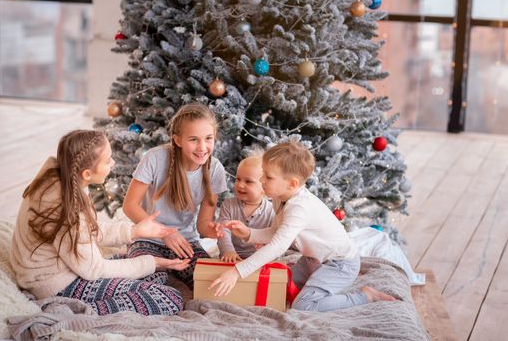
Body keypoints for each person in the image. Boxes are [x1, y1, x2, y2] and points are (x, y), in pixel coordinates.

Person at [10, 130, 189, 316]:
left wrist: (135, 231)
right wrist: (153, 261)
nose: (113, 163)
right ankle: (79, 311)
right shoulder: (66, 207)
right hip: (57, 284)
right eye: (108, 160)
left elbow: (87, 232)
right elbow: (94, 268)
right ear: (87, 173)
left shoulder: (67, 178)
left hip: (69, 268)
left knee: (157, 274)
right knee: (171, 299)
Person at [209, 141, 396, 311]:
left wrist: (236, 272)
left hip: (339, 263)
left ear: (292, 184)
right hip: (312, 260)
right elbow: (276, 232)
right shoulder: (279, 197)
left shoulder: (299, 208)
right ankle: (318, 286)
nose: (262, 181)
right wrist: (248, 233)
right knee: (279, 288)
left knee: (303, 305)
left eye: (268, 176)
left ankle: (365, 296)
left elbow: (277, 246)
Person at [123, 103, 227, 289]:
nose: (202, 147)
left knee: (209, 285)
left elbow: (203, 226)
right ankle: (127, 258)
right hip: (148, 239)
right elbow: (130, 205)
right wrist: (165, 233)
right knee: (149, 286)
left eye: (208, 138)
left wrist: (215, 231)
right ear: (178, 140)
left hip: (186, 242)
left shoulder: (215, 169)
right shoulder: (155, 158)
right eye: (193, 139)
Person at [217, 155, 274, 263]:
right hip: (231, 257)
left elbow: (273, 237)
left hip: (258, 259)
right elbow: (223, 232)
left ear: (264, 187)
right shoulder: (228, 205)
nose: (240, 185)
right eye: (238, 179)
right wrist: (228, 251)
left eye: (248, 181)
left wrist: (264, 252)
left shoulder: (271, 211)